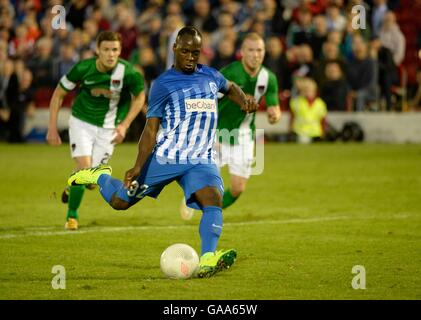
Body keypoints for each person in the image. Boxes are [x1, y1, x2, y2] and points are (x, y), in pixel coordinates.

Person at [67, 26, 258, 278]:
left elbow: (231, 87)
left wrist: (244, 101)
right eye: (186, 51)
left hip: (200, 159)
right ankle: (100, 176)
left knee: (213, 200)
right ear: (175, 49)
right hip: (166, 157)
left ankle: (209, 258)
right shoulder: (163, 84)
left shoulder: (211, 76)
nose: (191, 57)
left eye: (196, 52)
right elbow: (150, 129)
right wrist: (137, 166)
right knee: (120, 202)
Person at [46, 31, 146, 231]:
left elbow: (140, 97)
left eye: (115, 50)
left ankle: (72, 186)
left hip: (108, 129)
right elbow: (58, 94)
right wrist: (52, 128)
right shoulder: (83, 68)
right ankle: (72, 217)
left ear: (119, 51)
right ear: (97, 50)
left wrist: (124, 125)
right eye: (106, 49)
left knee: (91, 181)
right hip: (82, 122)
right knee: (85, 169)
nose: (111, 54)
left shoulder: (128, 73)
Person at [289, 77, 327, 143]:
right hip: (299, 132)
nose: (308, 92)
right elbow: (292, 117)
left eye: (310, 90)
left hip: (316, 132)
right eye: (305, 90)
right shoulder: (296, 102)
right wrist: (290, 128)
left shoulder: (320, 103)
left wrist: (323, 131)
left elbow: (323, 119)